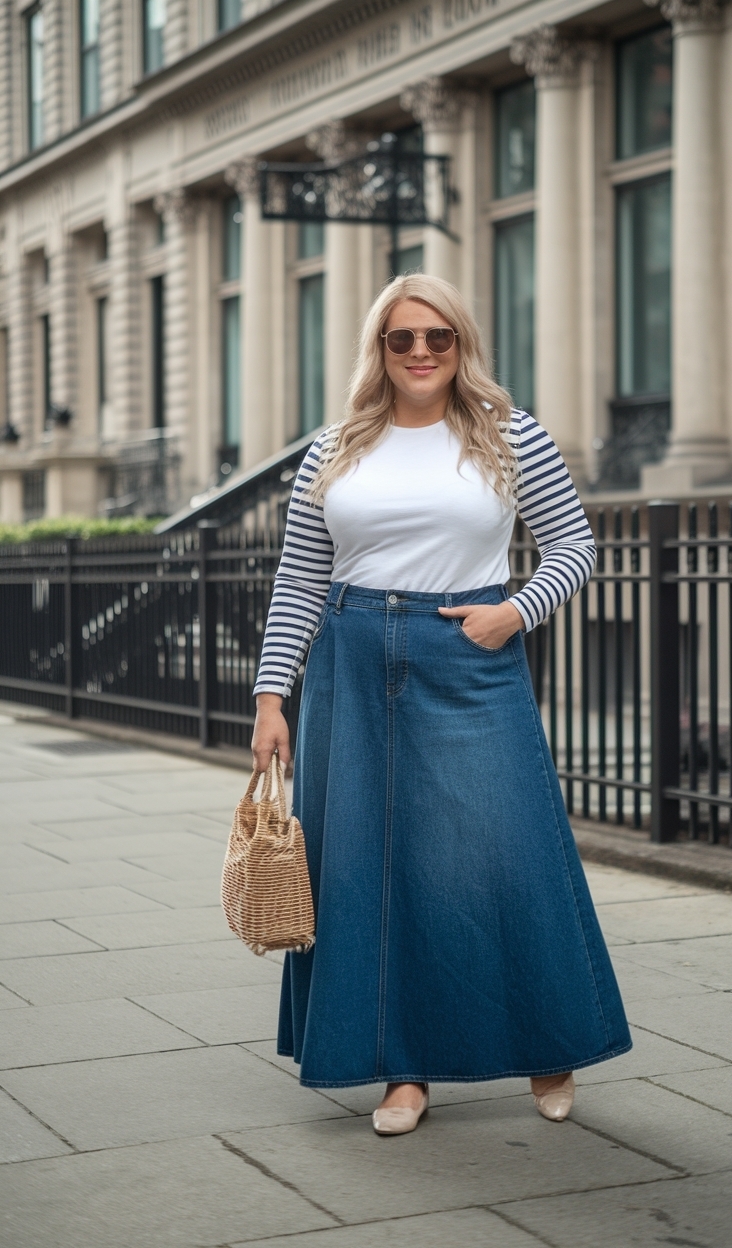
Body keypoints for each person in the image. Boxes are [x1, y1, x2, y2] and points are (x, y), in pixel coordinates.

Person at [251, 274, 631, 1136]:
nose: (421, 352)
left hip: (466, 652)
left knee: (507, 852)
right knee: (370, 869)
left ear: (461, 345)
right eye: (402, 339)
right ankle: (403, 1068)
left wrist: (516, 611)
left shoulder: (509, 435)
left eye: (439, 337)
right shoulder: (335, 447)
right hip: (350, 660)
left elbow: (574, 545)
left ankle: (550, 1043)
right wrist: (273, 696)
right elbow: (300, 579)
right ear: (377, 351)